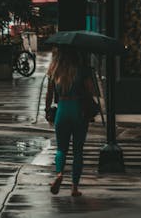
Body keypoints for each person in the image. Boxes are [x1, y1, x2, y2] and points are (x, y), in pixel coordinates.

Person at [45, 47, 95, 197]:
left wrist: (47, 110)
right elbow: (91, 90)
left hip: (62, 109)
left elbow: (49, 93)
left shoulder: (55, 70)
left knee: (61, 148)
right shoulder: (82, 69)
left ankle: (59, 174)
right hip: (78, 110)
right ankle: (74, 187)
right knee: (78, 151)